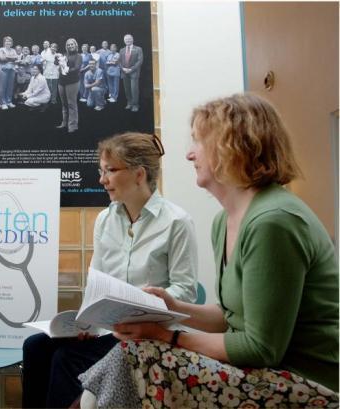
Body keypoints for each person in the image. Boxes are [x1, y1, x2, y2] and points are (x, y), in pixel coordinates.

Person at [79, 93, 339, 408]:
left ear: (232, 146)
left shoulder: (273, 221)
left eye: (198, 142)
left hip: (303, 381)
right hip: (260, 370)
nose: (190, 154)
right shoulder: (224, 222)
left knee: (134, 357)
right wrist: (173, 306)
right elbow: (231, 317)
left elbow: (261, 348)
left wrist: (165, 335)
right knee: (126, 358)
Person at [22, 132, 198, 408]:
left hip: (149, 333)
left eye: (110, 171)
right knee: (35, 347)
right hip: (108, 330)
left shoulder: (177, 222)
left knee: (67, 359)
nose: (102, 180)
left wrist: (149, 299)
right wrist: (85, 323)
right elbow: (97, 281)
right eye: (101, 171)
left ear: (139, 174)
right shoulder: (105, 219)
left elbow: (185, 290)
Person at [56, 38, 82, 133]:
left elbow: (77, 68)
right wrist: (56, 58)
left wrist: (66, 70)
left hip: (72, 82)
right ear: (66, 46)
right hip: (61, 82)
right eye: (68, 45)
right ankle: (64, 123)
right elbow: (56, 63)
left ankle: (73, 126)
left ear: (75, 45)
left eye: (72, 44)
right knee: (64, 104)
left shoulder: (78, 56)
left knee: (71, 104)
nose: (70, 46)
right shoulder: (64, 55)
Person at [119, 34, 143, 112]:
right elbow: (119, 61)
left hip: (134, 72)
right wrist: (122, 68)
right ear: (124, 41)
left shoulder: (138, 49)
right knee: (127, 89)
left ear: (132, 39)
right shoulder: (122, 50)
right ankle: (129, 103)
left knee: (134, 89)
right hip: (124, 72)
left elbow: (140, 61)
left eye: (129, 39)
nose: (128, 40)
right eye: (126, 39)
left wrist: (131, 69)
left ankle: (135, 105)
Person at [0, 36, 18, 110]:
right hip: (3, 70)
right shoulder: (1, 49)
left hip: (12, 69)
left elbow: (16, 58)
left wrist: (7, 57)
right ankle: (2, 103)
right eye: (6, 41)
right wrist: (11, 58)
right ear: (4, 42)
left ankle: (9, 101)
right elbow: (2, 59)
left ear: (11, 43)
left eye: (9, 41)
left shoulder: (13, 50)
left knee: (10, 86)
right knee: (2, 87)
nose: (8, 42)